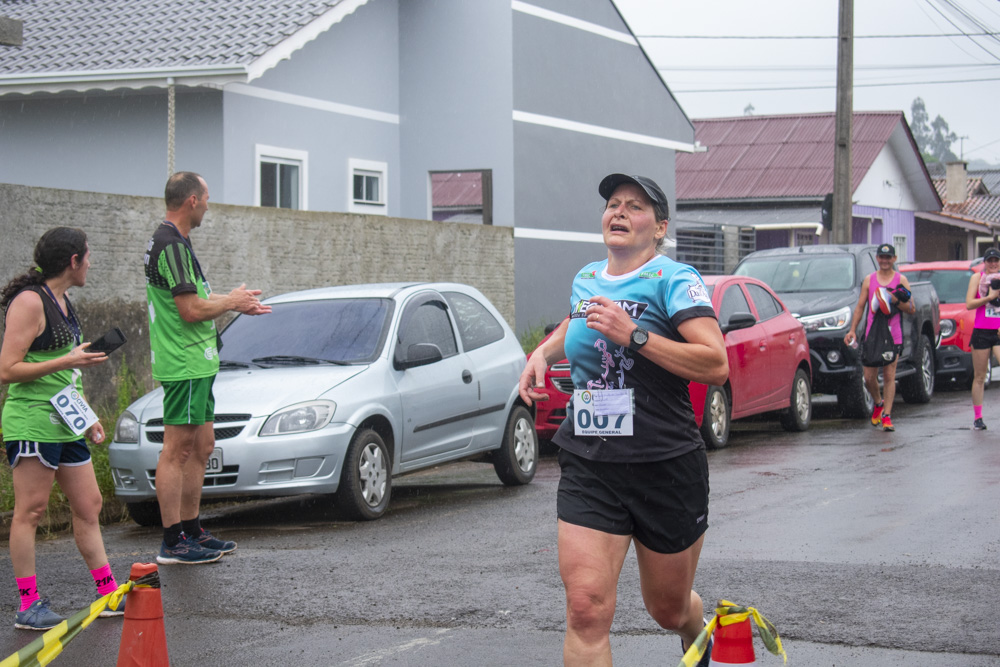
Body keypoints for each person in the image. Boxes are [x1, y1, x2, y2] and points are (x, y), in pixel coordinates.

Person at [518, 174, 727, 666]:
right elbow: (579, 317)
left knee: (668, 608)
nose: (619, 212)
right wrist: (543, 351)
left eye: (635, 207)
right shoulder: (587, 277)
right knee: (586, 609)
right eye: (613, 204)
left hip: (665, 464)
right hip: (592, 463)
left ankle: (697, 630)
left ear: (659, 228)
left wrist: (635, 336)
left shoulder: (674, 279)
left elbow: (715, 362)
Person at [0, 227, 124, 630]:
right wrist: (68, 361)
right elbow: (8, 370)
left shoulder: (65, 301)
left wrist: (88, 418)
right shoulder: (30, 302)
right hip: (33, 421)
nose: (91, 263)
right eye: (88, 256)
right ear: (73, 260)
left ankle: (108, 592)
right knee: (31, 511)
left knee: (89, 506)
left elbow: (69, 375)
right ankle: (28, 603)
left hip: (67, 423)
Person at [144, 172, 271, 565]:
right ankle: (172, 541)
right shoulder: (171, 245)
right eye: (207, 197)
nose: (209, 204)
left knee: (202, 446)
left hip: (198, 362)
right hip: (184, 363)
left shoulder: (175, 242)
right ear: (192, 202)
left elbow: (197, 296)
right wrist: (230, 303)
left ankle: (191, 529)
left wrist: (235, 300)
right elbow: (191, 309)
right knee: (176, 451)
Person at [844, 243, 916, 432]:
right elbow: (860, 306)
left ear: (894, 259)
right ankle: (878, 403)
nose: (885, 261)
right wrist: (852, 330)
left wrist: (895, 300)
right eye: (882, 257)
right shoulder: (869, 280)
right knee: (868, 377)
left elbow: (911, 308)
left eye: (888, 257)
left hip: (893, 335)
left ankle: (887, 415)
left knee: (890, 375)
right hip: (872, 335)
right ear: (877, 259)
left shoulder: (901, 280)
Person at [965, 247, 1000, 430]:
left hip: (998, 331)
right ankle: (978, 417)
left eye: (996, 260)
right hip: (981, 330)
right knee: (979, 376)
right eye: (990, 261)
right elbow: (969, 303)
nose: (993, 264)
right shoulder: (977, 278)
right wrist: (989, 297)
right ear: (985, 262)